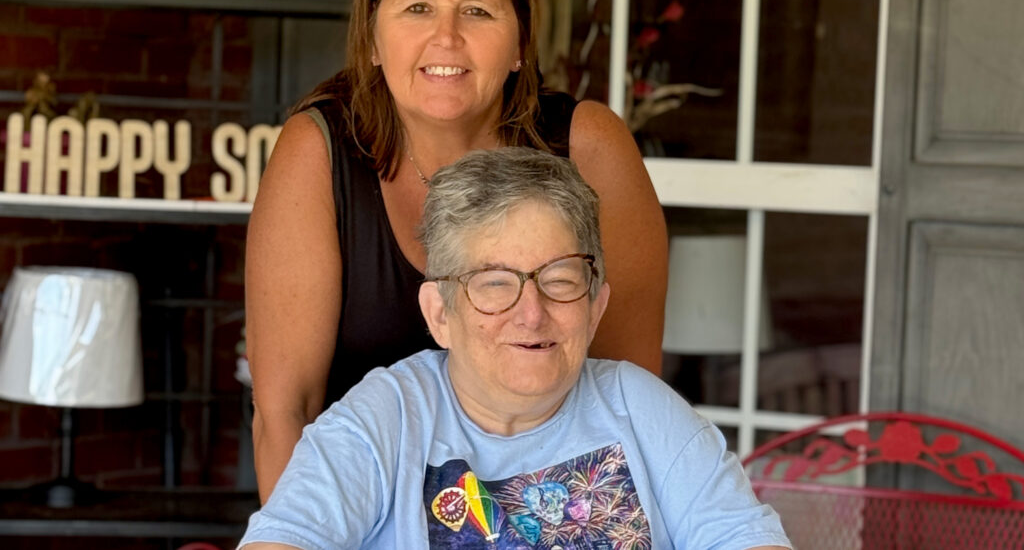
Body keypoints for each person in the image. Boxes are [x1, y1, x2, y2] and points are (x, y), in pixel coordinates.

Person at [245, 0, 668, 502]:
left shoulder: (588, 146)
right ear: (372, 37)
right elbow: (287, 412)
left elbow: (627, 405)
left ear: (520, 42)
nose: (446, 38)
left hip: (547, 516)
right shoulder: (319, 151)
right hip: (357, 517)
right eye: (417, 8)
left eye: (477, 11)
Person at [238, 148, 789, 550]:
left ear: (596, 306)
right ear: (439, 315)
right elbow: (286, 539)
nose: (531, 312)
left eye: (561, 278)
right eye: (494, 282)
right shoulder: (388, 417)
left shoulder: (644, 411)